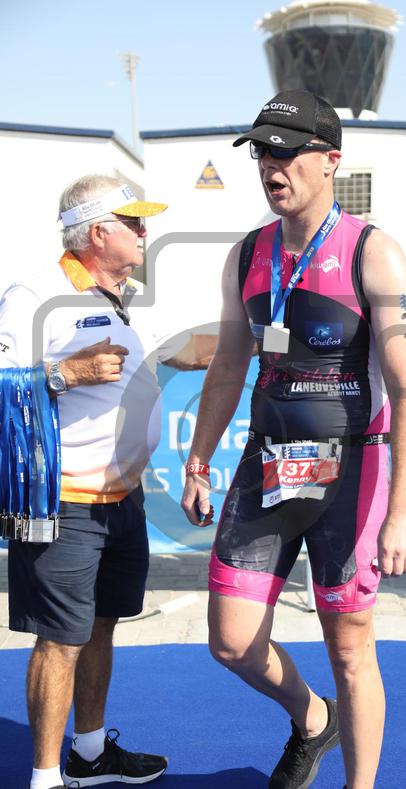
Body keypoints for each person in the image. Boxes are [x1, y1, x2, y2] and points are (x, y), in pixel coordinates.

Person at [181, 90, 406, 789]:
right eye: (263, 151)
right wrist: (198, 459)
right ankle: (313, 717)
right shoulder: (247, 255)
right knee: (231, 642)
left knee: (349, 646)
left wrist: (404, 510)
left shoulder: (373, 252)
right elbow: (229, 364)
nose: (272, 165)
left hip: (352, 474)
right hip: (268, 467)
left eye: (288, 151)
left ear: (330, 160)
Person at [0, 174, 214, 789]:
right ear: (97, 232)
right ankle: (45, 779)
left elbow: (193, 351)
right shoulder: (35, 294)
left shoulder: (134, 298)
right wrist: (66, 374)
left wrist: (275, 337)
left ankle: (90, 755)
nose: (147, 232)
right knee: (59, 642)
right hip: (63, 501)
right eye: (135, 222)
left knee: (100, 626)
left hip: (124, 501)